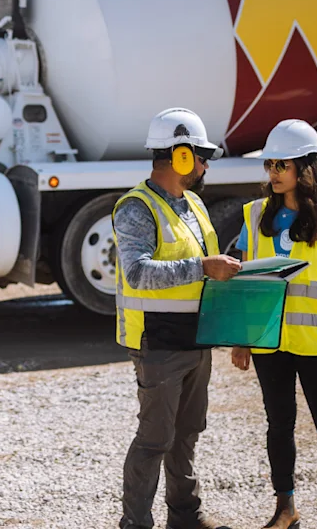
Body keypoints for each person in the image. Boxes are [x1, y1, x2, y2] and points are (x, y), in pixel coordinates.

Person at [229, 119, 317, 529]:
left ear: (304, 169)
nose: (271, 173)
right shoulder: (254, 216)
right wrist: (240, 340)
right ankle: (285, 509)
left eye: (280, 165)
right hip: (270, 343)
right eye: (268, 165)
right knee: (279, 425)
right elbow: (241, 282)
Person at [112, 107, 240, 529]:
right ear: (181, 155)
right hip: (159, 344)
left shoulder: (194, 205)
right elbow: (137, 273)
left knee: (186, 435)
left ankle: (186, 518)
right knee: (154, 440)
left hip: (196, 339)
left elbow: (204, 268)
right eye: (201, 156)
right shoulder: (136, 208)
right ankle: (136, 525)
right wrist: (204, 267)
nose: (205, 166)